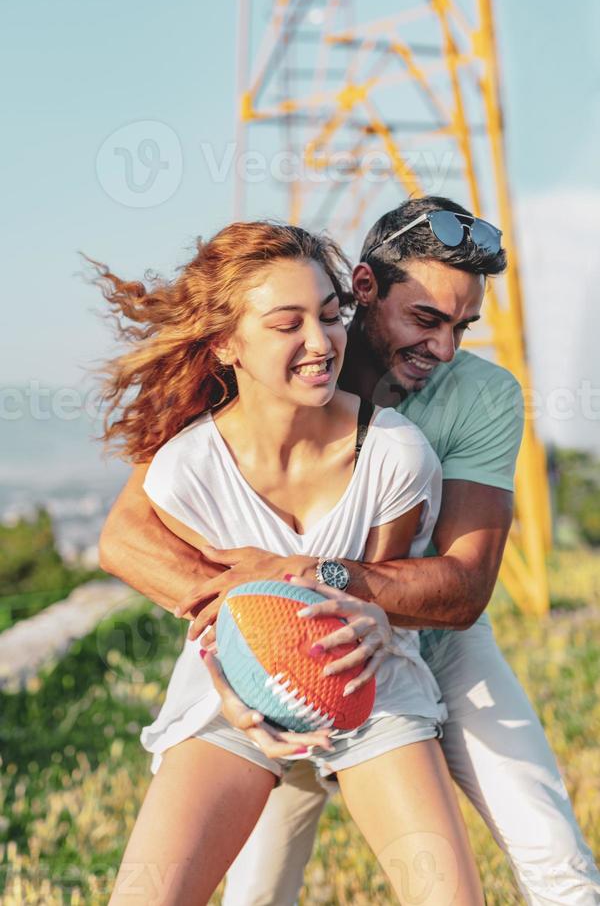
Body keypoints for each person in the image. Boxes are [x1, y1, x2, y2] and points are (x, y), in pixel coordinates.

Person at [99, 197, 600, 905]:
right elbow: (125, 535)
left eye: (463, 326)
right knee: (258, 890)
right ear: (364, 289)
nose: (448, 349)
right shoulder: (227, 397)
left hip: (414, 637)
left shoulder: (439, 423)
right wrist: (243, 649)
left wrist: (312, 577)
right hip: (270, 651)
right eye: (427, 319)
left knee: (553, 854)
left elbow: (460, 588)